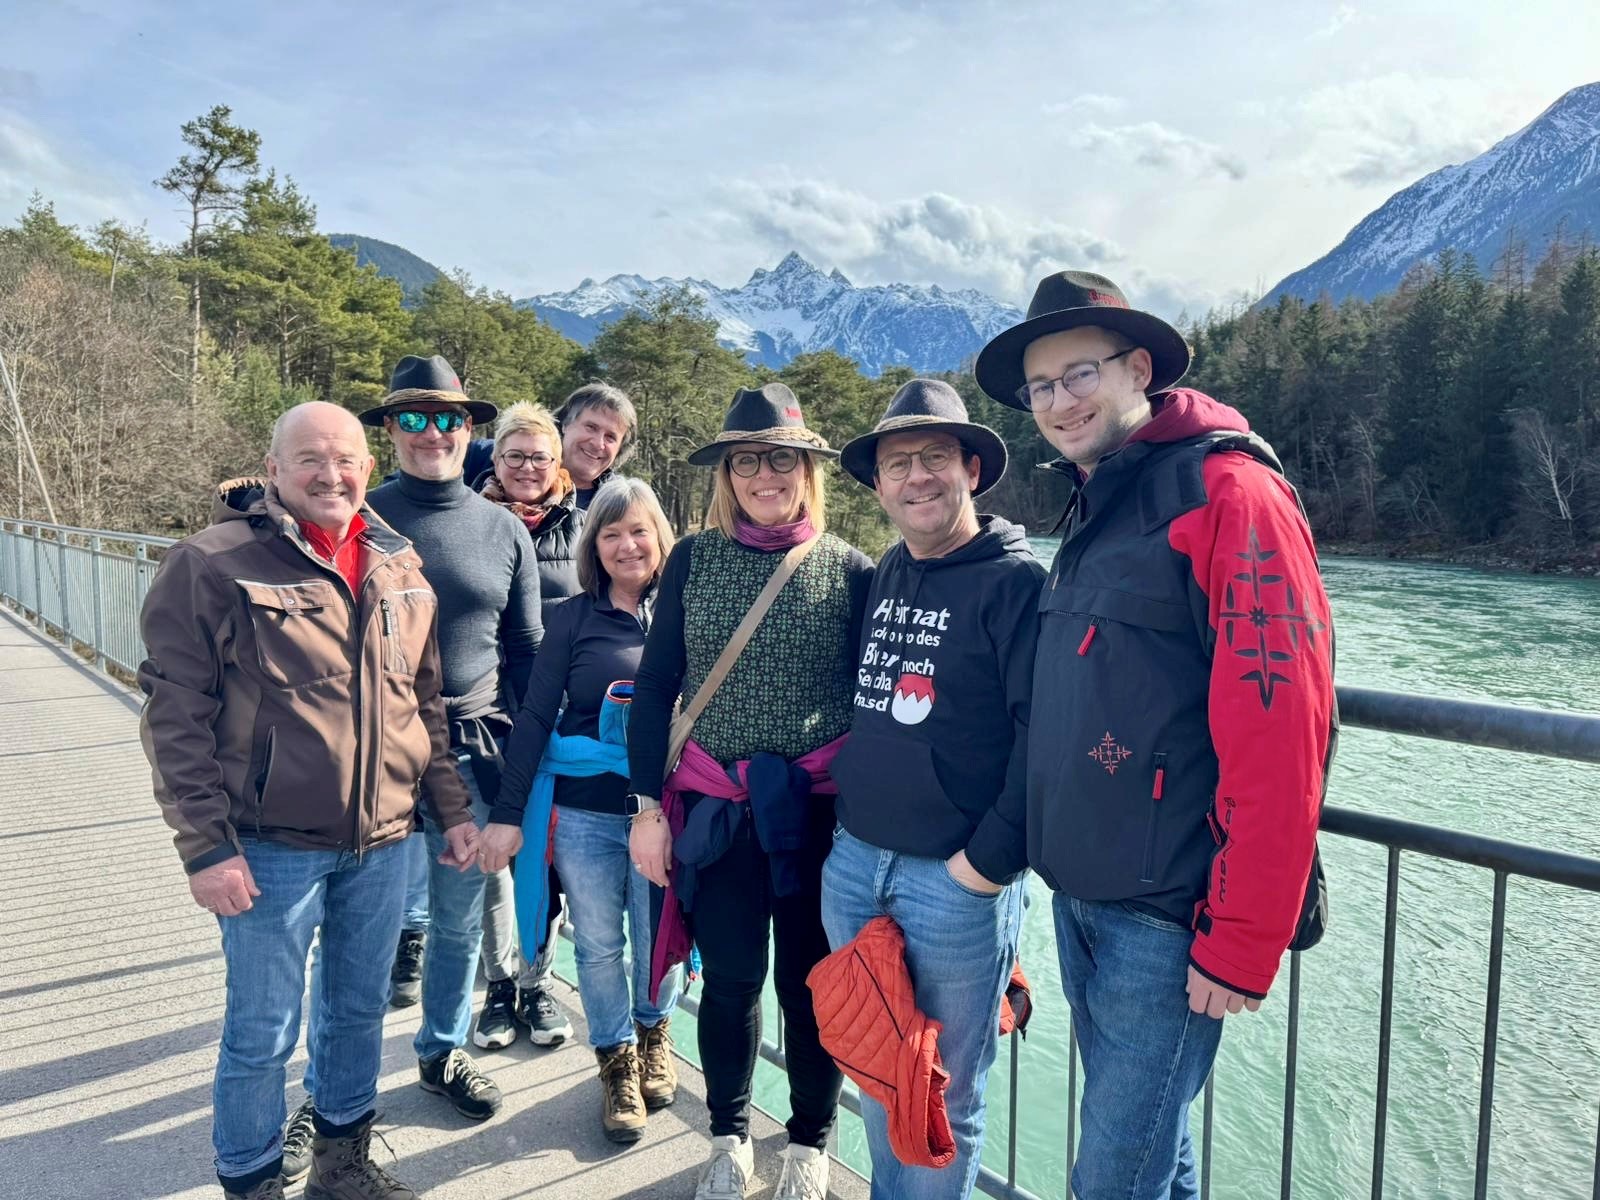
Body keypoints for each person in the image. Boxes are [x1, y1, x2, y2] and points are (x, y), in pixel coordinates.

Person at [974, 271, 1336, 1200]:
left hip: (1169, 917)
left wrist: (1241, 939)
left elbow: (1284, 730)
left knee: (1112, 1177)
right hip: (1087, 896)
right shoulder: (1107, 494)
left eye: (1079, 374)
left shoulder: (1229, 494)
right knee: (1153, 1159)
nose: (1059, 402)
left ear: (1139, 367)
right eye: (1042, 387)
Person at [138, 401, 478, 1200]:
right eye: (310, 459)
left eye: (347, 459)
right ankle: (252, 1181)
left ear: (368, 467)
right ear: (274, 469)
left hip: (386, 841)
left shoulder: (401, 567)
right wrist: (205, 845)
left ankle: (342, 1166)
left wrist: (454, 813)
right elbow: (174, 712)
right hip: (266, 846)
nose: (331, 474)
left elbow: (422, 707)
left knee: (357, 1015)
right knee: (262, 1033)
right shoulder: (213, 563)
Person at [627, 384, 874, 1200]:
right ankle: (729, 1134)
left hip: (818, 820)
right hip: (719, 817)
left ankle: (809, 1141)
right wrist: (646, 809)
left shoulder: (851, 569)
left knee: (811, 988)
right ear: (726, 475)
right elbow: (658, 685)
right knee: (731, 982)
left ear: (807, 468)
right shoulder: (693, 559)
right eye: (745, 461)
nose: (764, 475)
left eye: (780, 458)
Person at [300, 355, 540, 1135]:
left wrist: (518, 782)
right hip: (374, 755)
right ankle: (335, 1086)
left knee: (458, 921)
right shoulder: (357, 517)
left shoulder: (503, 528)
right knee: (358, 931)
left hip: (471, 753)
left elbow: (527, 654)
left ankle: (440, 1050)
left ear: (468, 431)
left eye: (448, 418)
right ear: (389, 433)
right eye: (412, 417)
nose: (432, 432)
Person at [822, 379, 1044, 1199]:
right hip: (856, 865)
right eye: (898, 463)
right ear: (878, 485)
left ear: (973, 471)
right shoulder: (890, 569)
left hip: (952, 883)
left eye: (936, 458)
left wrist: (982, 867)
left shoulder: (1015, 584)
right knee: (882, 1072)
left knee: (945, 1087)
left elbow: (1042, 741)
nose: (917, 477)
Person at [478, 477, 685, 1143]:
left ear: (660, 536)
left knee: (662, 939)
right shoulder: (570, 618)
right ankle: (616, 1062)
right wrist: (508, 813)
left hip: (669, 811)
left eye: (639, 530)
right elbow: (536, 715)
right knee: (598, 945)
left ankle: (655, 1032)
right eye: (611, 532)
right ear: (594, 544)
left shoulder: (689, 611)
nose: (627, 545)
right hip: (586, 812)